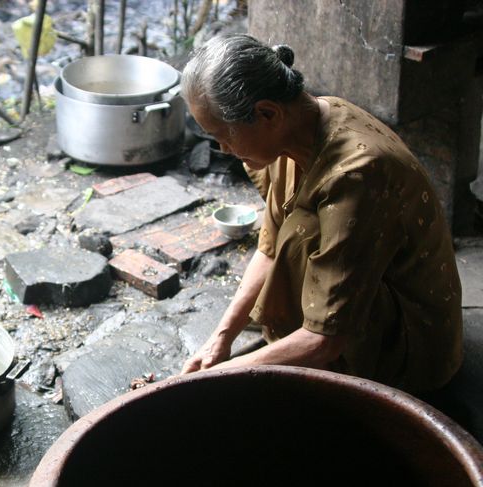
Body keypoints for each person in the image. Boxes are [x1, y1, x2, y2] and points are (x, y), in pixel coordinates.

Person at [179, 34, 462, 393]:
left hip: (409, 343)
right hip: (350, 308)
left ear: (267, 113)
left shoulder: (356, 173)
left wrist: (220, 376)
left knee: (306, 231)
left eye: (222, 136)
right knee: (295, 229)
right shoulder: (298, 127)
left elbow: (325, 339)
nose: (222, 149)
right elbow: (269, 248)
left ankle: (337, 372)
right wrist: (220, 339)